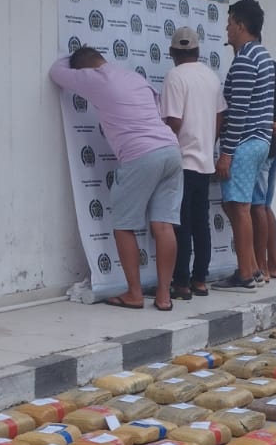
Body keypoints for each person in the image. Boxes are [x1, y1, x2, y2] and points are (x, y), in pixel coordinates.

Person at [49, 46, 182, 310]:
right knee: (164, 226)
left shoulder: (95, 77)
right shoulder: (134, 77)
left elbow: (56, 72)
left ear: (86, 67)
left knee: (124, 224)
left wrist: (74, 59)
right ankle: (164, 296)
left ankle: (134, 293)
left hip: (140, 155)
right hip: (171, 150)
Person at [159, 26, 226, 301]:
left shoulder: (175, 76)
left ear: (173, 53)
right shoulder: (210, 77)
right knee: (201, 223)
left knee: (181, 224)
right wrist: (209, 140)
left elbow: (173, 121)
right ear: (197, 52)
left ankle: (182, 283)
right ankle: (200, 279)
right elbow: (221, 116)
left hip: (182, 160)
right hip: (204, 161)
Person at [213, 0, 276, 290]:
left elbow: (237, 112)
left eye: (229, 24)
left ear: (240, 25)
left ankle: (245, 273)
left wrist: (226, 154)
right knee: (241, 205)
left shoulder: (246, 61)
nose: (226, 29)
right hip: (260, 141)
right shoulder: (262, 56)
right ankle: (251, 268)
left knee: (238, 207)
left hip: (246, 141)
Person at [254, 58, 276, 280]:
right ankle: (273, 265)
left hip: (263, 148)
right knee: (266, 206)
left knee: (257, 207)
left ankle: (262, 267)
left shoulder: (254, 67)